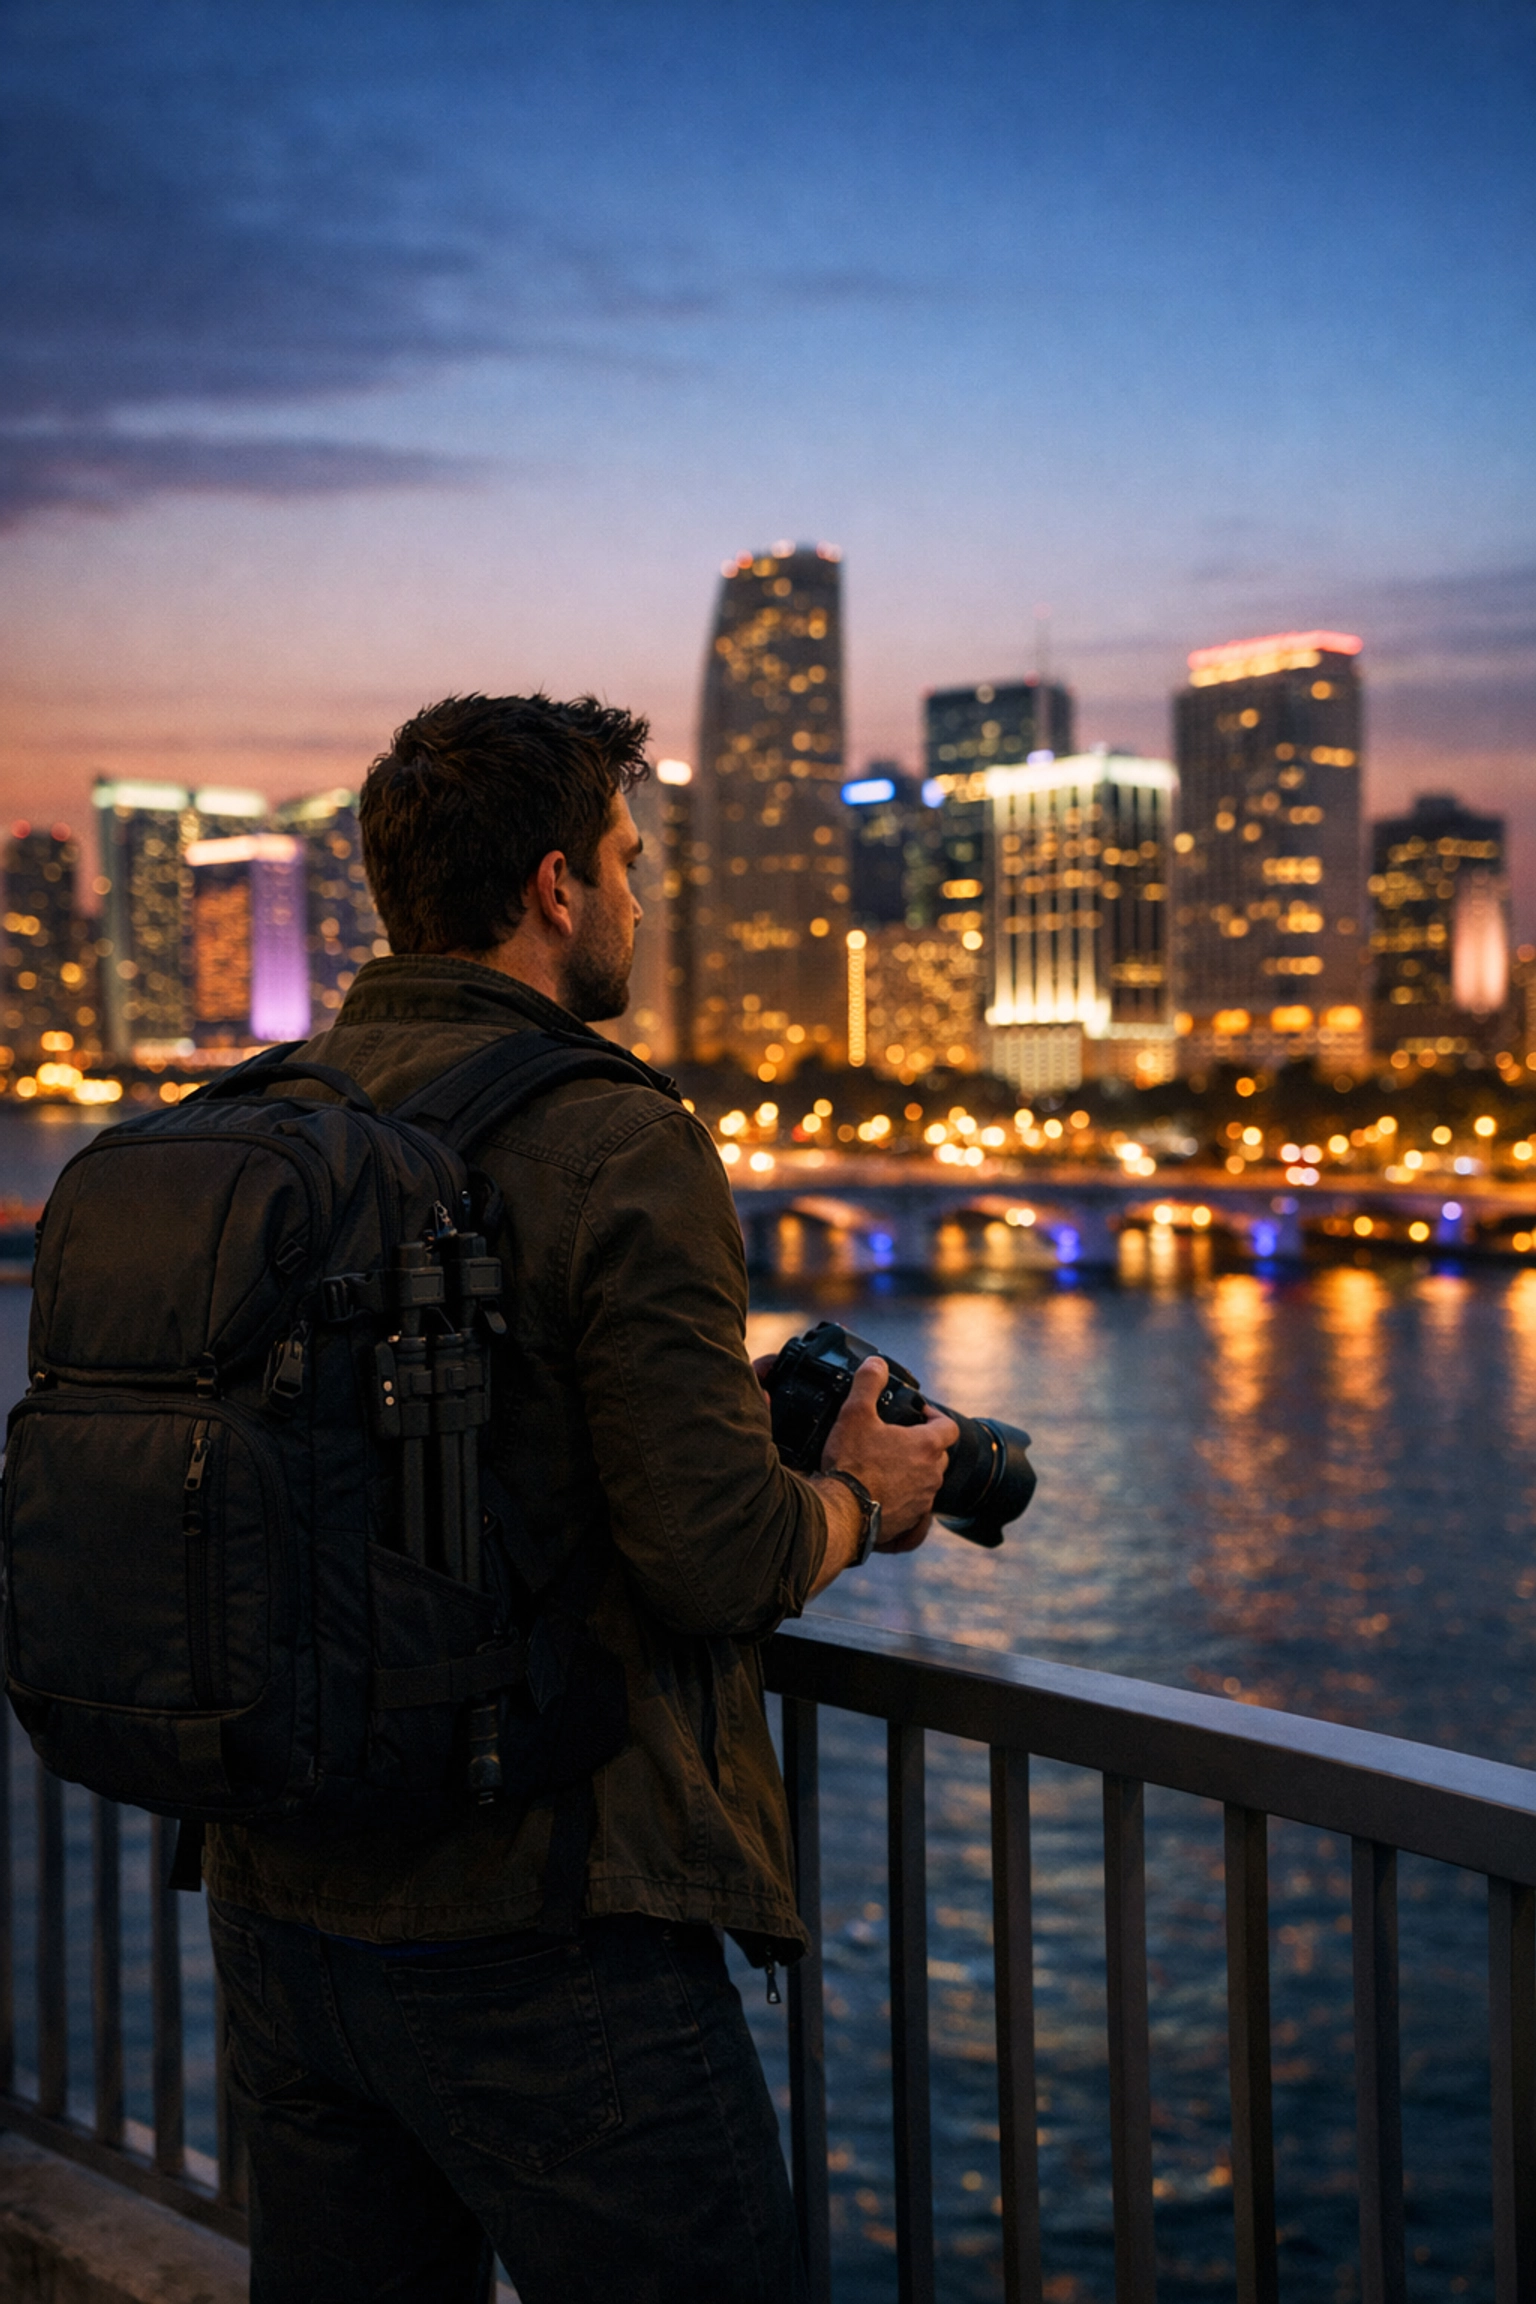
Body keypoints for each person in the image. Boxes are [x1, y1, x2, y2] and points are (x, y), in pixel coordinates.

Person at [206, 691, 957, 2304]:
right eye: (626, 859)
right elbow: (715, 1556)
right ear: (555, 889)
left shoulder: (270, 1115)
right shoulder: (617, 1135)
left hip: (279, 1910)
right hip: (540, 1926)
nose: (640, 896)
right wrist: (859, 1502)